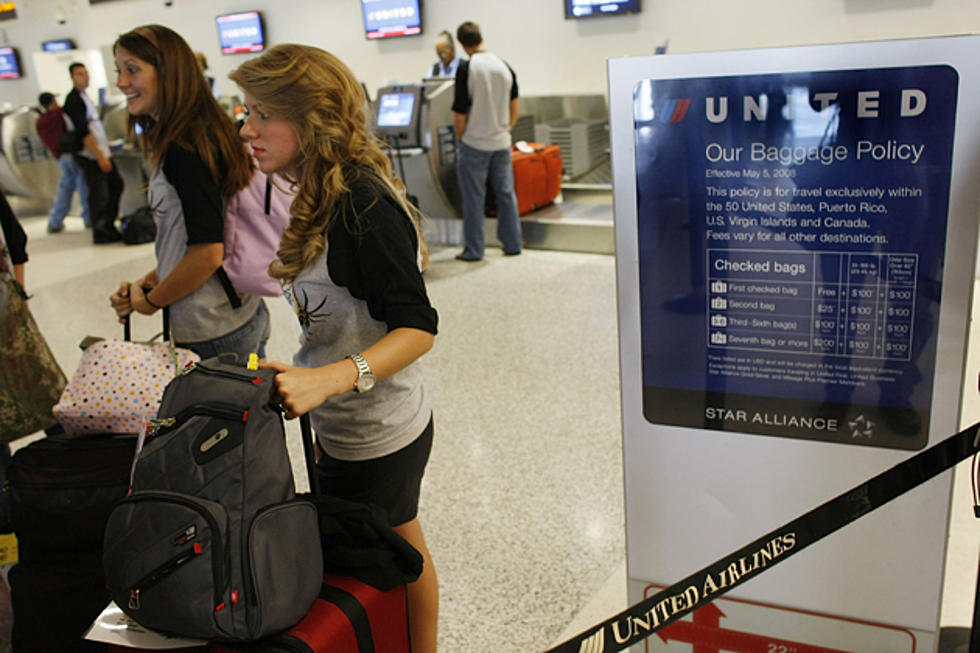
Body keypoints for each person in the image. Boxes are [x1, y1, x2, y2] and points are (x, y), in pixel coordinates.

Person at [229, 44, 440, 653]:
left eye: (262, 113)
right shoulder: (317, 188)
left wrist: (331, 379)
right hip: (342, 420)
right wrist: (315, 378)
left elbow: (419, 328)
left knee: (400, 555)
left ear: (311, 117)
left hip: (380, 429)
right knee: (392, 550)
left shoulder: (363, 204)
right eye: (246, 112)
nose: (248, 129)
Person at [108, 25, 270, 362]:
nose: (121, 82)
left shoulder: (185, 146)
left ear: (169, 73)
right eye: (119, 70)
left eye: (133, 69)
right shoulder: (203, 130)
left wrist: (152, 302)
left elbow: (207, 252)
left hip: (212, 329)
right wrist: (151, 282)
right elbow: (193, 234)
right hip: (237, 312)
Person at [451, 21, 523, 261]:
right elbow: (515, 104)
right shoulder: (503, 66)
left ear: (462, 44)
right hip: (501, 142)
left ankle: (474, 250)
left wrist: (461, 139)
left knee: (474, 198)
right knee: (505, 194)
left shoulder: (467, 67)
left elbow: (460, 112)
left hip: (475, 143)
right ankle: (513, 244)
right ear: (480, 38)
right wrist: (506, 128)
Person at [63, 62, 124, 244]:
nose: (85, 77)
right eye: (80, 74)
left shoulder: (85, 98)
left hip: (101, 152)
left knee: (114, 186)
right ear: (73, 77)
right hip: (91, 156)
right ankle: (101, 228)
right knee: (100, 192)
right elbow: (84, 132)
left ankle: (108, 225)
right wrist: (100, 156)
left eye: (86, 73)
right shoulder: (73, 101)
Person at [36, 92, 91, 234]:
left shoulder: (40, 122)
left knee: (65, 189)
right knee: (83, 186)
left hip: (60, 158)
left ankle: (55, 221)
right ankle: (88, 218)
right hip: (72, 155)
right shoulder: (58, 116)